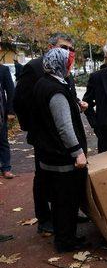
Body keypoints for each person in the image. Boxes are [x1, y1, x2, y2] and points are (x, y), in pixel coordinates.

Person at [13, 33, 84, 234]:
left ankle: (66, 214)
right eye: (63, 47)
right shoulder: (35, 67)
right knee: (44, 177)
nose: (67, 52)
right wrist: (35, 128)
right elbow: (21, 101)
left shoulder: (64, 67)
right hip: (45, 137)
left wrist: (77, 105)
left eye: (70, 49)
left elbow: (65, 95)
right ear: (50, 46)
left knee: (65, 179)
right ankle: (44, 217)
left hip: (62, 137)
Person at [31, 48, 89, 252]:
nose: (71, 67)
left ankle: (63, 237)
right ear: (61, 64)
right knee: (66, 200)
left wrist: (75, 105)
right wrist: (78, 152)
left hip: (48, 153)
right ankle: (66, 241)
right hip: (62, 157)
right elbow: (63, 126)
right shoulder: (55, 90)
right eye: (69, 63)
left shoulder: (43, 83)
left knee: (58, 200)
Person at [1, 63, 15, 179]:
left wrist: (10, 111)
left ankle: (6, 168)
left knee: (2, 140)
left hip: (0, 113)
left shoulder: (3, 69)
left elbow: (10, 91)